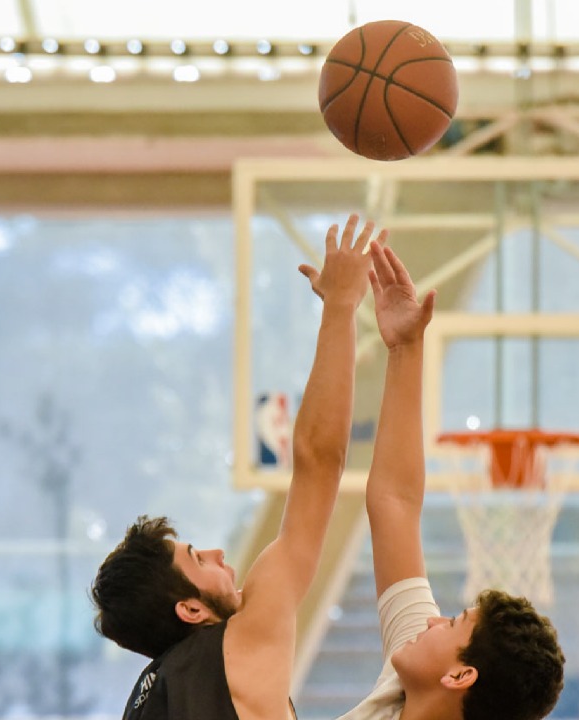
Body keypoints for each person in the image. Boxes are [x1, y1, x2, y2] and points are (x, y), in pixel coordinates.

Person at [90, 215, 381, 720]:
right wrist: (340, 307)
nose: (218, 551)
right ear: (192, 610)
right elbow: (318, 464)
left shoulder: (143, 701)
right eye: (198, 559)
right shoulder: (239, 643)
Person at [339, 243, 566, 720]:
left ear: (459, 675)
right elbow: (394, 503)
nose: (433, 620)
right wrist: (405, 348)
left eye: (453, 623)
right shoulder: (402, 688)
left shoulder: (415, 675)